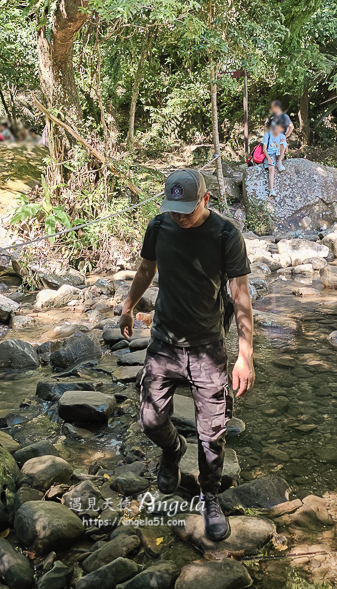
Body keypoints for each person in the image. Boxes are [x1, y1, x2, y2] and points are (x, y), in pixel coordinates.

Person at [119, 169, 255, 542]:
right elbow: (147, 268)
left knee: (212, 433)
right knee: (150, 419)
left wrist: (245, 354)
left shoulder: (226, 235)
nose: (179, 217)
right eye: (173, 209)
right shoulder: (159, 227)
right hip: (164, 342)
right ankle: (174, 448)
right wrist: (128, 306)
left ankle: (209, 497)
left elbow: (241, 295)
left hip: (207, 346)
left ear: (205, 200)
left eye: (187, 210)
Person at [262, 121, 287, 197]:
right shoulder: (267, 135)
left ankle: (279, 162)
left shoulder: (282, 135)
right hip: (270, 154)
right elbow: (264, 149)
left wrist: (284, 143)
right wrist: (269, 158)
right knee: (271, 169)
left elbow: (286, 150)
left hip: (278, 154)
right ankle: (271, 190)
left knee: (282, 143)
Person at [267, 100, 293, 171]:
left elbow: (291, 127)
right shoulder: (272, 117)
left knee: (282, 141)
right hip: (273, 140)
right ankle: (278, 161)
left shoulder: (283, 117)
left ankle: (279, 161)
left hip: (278, 139)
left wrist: (286, 135)